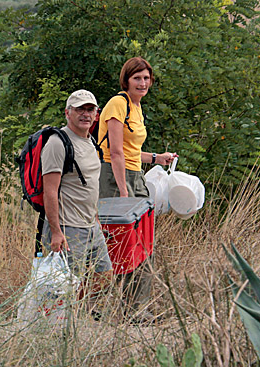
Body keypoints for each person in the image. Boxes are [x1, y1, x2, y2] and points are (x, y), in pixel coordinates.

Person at [98, 57, 177, 322]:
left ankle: (136, 310)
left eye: (146, 78)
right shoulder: (117, 104)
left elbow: (131, 153)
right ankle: (96, 306)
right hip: (113, 177)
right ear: (126, 80)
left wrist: (156, 158)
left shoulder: (136, 107)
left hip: (134, 175)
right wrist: (123, 192)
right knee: (114, 244)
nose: (142, 83)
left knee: (143, 243)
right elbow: (116, 152)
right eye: (137, 78)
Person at [41, 89, 113, 316]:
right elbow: (49, 191)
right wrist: (55, 232)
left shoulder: (90, 141)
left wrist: (96, 220)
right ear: (67, 113)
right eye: (79, 109)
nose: (85, 114)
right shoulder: (57, 143)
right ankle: (55, 324)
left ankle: (73, 312)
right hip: (68, 227)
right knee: (63, 285)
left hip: (91, 225)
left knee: (104, 275)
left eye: (90, 109)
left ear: (97, 114)